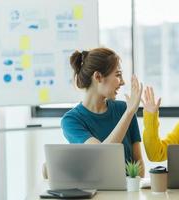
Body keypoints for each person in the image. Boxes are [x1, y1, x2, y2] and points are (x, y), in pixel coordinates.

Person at [61, 47, 145, 177]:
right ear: (98, 77)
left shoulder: (124, 108)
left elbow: (138, 162)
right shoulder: (71, 120)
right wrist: (129, 113)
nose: (122, 82)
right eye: (118, 75)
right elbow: (101, 153)